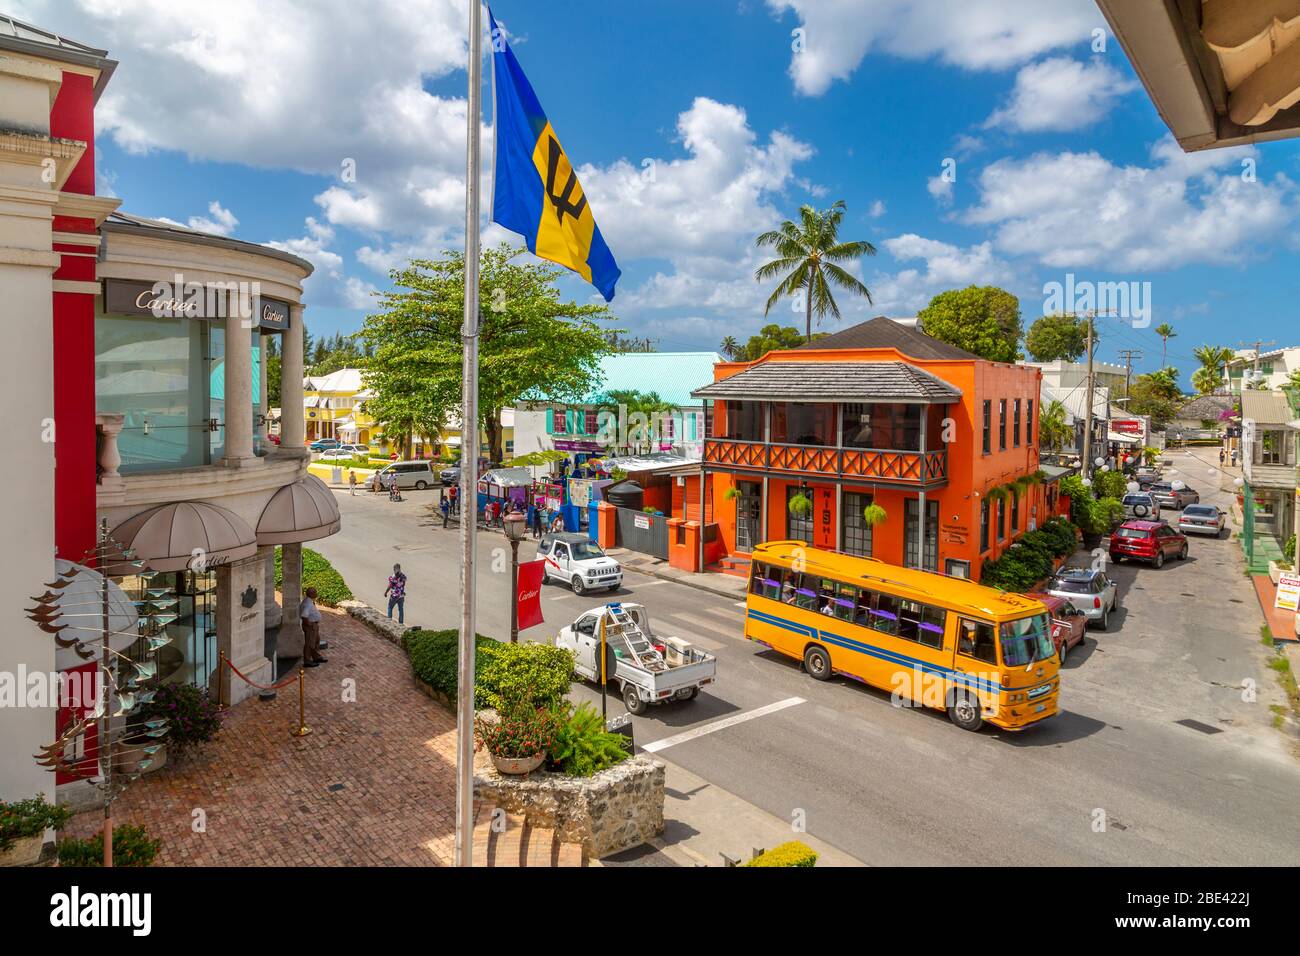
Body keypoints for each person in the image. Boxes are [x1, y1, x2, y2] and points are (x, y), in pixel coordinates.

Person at [300, 586, 326, 667]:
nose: (316, 593)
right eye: (315, 592)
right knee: (309, 644)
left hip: (313, 625)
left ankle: (316, 657)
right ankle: (307, 661)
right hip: (310, 626)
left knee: (316, 641)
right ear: (311, 594)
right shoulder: (308, 603)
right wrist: (309, 624)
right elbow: (304, 615)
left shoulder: (309, 601)